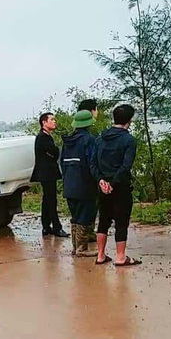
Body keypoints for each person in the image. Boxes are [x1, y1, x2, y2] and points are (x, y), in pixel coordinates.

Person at [90, 104, 141, 266]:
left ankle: (100, 255)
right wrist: (113, 183)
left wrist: (101, 180)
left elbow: (93, 163)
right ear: (129, 121)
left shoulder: (100, 139)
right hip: (120, 186)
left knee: (103, 219)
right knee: (121, 221)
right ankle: (120, 257)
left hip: (102, 185)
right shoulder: (129, 140)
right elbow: (126, 166)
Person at [61, 110, 98, 257]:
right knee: (85, 215)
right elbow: (92, 163)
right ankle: (82, 249)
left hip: (69, 184)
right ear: (89, 124)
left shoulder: (67, 142)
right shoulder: (89, 140)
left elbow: (61, 164)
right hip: (85, 184)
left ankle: (75, 248)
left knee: (75, 216)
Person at [31, 112, 69, 238]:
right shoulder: (43, 137)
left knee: (47, 199)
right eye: (52, 119)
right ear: (44, 122)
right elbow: (54, 152)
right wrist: (56, 151)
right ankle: (56, 227)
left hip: (47, 172)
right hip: (46, 173)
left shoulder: (46, 136)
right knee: (51, 200)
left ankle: (46, 226)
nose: (54, 121)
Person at [77, 99, 100, 242]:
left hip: (74, 180)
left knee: (79, 212)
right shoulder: (89, 139)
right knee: (87, 209)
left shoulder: (71, 138)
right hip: (87, 180)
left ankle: (84, 239)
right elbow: (93, 160)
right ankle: (82, 245)